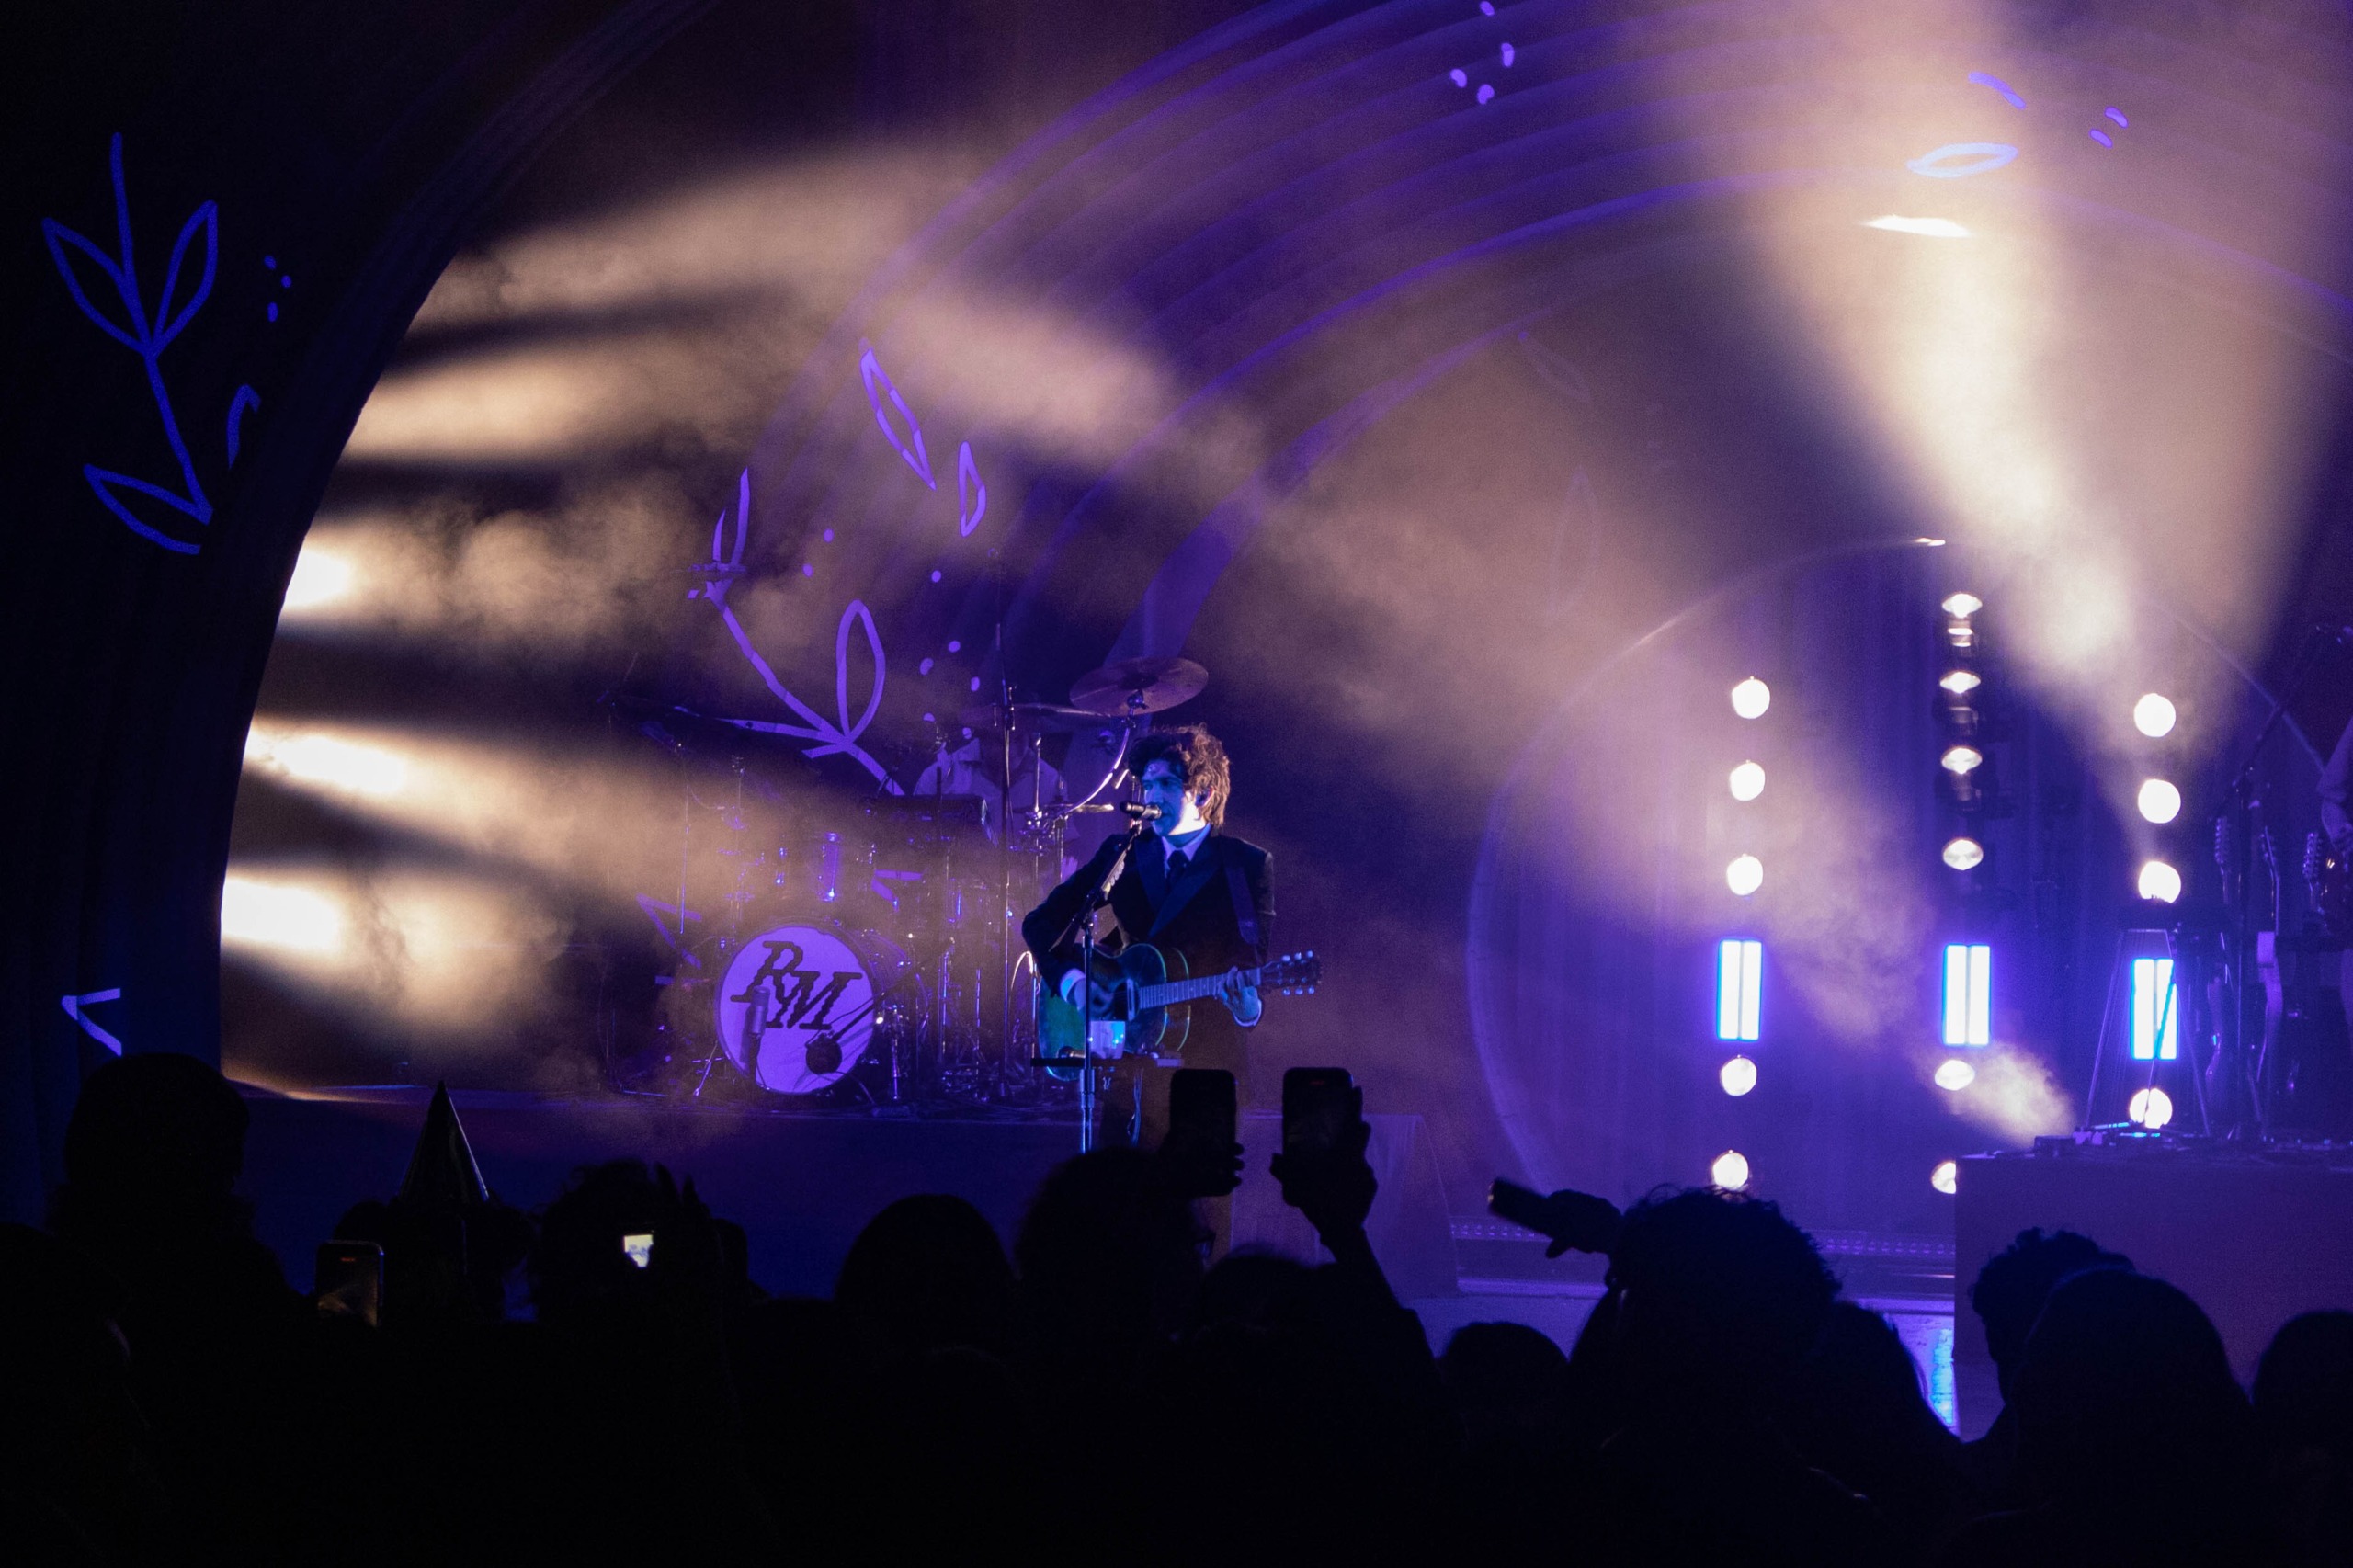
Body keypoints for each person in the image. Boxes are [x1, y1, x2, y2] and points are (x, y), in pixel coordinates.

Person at [1022, 723, 1275, 1146]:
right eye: (1147, 784)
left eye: (1166, 784)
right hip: (1130, 1069)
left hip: (1207, 1070)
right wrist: (1075, 984)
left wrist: (1248, 1005)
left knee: (1200, 1204)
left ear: (1203, 794)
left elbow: (1251, 961)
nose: (1151, 796)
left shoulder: (1245, 865)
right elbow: (1041, 923)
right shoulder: (1124, 855)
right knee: (1122, 1201)